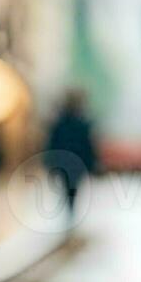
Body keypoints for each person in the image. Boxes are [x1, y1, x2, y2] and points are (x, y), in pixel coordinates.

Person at [43, 90, 100, 219]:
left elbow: (53, 144)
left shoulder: (62, 124)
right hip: (74, 164)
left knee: (69, 188)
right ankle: (70, 211)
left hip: (67, 163)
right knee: (71, 189)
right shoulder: (80, 124)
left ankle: (70, 210)